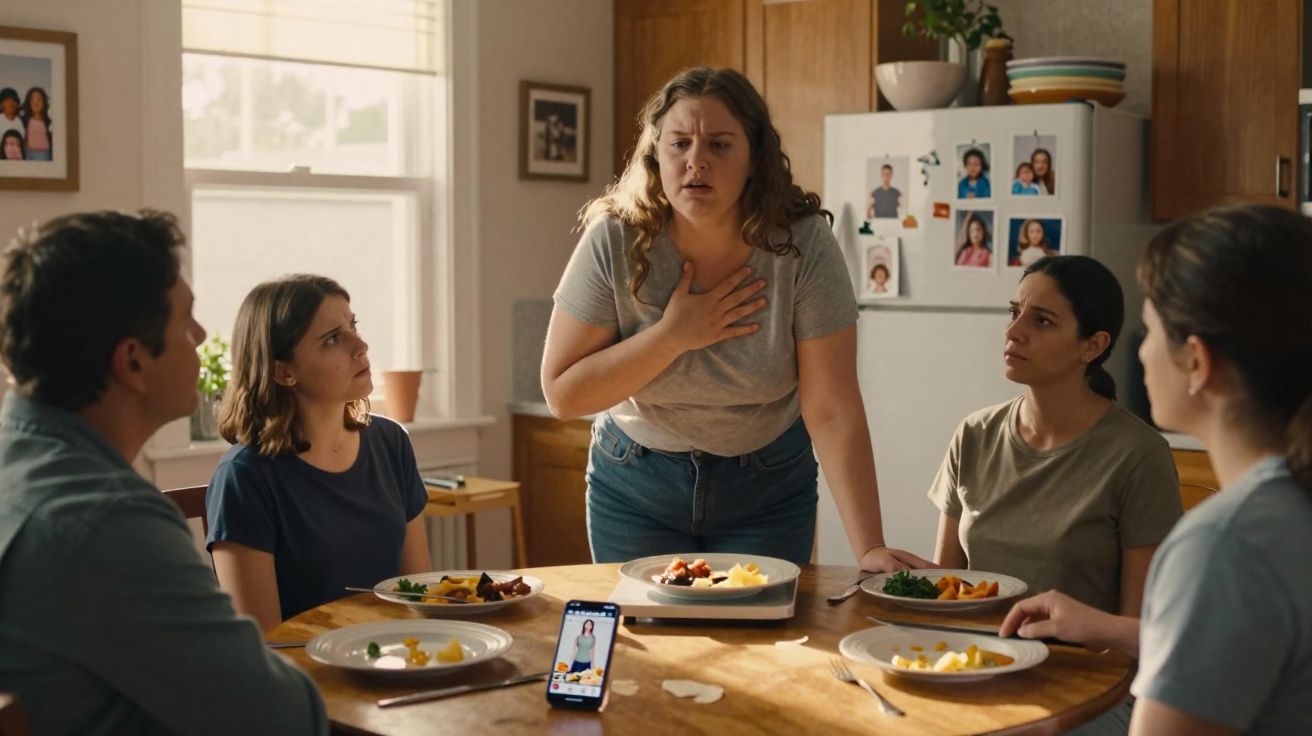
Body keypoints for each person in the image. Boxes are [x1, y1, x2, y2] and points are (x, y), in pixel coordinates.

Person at [542, 66, 931, 571]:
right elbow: (563, 394)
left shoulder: (802, 243)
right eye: (679, 143)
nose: (695, 161)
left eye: (719, 145)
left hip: (766, 488)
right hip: (635, 485)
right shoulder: (614, 239)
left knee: (760, 644)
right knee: (648, 644)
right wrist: (673, 335)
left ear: (755, 158)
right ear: (655, 154)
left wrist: (869, 547)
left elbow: (832, 407)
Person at [0, 210, 326, 734]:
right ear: (132, 363)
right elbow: (280, 719)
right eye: (185, 321)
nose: (200, 334)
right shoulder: (107, 524)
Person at [999, 205, 1312, 735]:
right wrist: (1104, 626)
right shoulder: (1288, 506)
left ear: (1196, 361)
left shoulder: (1223, 543)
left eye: (1148, 331)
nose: (1140, 354)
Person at [931, 255, 1181, 620]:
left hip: (1075, 670)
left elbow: (1136, 628)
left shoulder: (1138, 456)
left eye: (1042, 320)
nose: (1013, 331)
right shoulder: (974, 434)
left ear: (1092, 346)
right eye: (1013, 312)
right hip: (971, 660)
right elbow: (943, 590)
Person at [205, 275, 432, 632]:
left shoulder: (391, 442)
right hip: (308, 680)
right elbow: (263, 644)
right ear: (283, 371)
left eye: (353, 326)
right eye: (332, 339)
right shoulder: (244, 476)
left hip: (399, 662)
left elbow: (418, 597)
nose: (361, 345)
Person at [20, 87, 51, 161]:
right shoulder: (23, 120)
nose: (35, 102)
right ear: (28, 102)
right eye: (32, 99)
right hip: (28, 155)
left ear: (44, 102)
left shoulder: (49, 122)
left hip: (45, 156)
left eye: (39, 100)